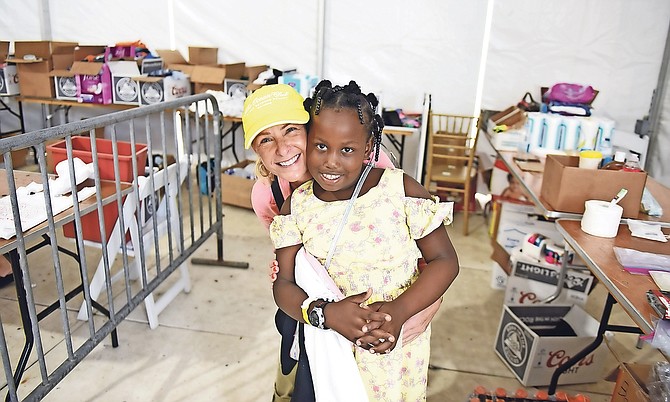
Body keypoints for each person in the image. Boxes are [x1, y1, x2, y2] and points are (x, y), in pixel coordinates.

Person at [242, 84, 441, 401]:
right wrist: (314, 305)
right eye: (266, 139)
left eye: (291, 131)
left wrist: (414, 310)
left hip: (386, 325)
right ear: (257, 151)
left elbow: (427, 256)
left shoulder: (381, 176)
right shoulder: (274, 198)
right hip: (317, 320)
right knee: (304, 382)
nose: (282, 148)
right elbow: (290, 271)